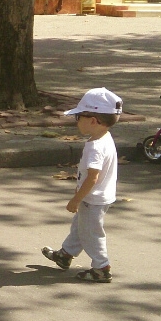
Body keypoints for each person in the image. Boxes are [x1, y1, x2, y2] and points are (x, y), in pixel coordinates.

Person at [42, 87, 123, 283]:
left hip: (92, 198)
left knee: (91, 235)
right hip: (99, 196)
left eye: (78, 116)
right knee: (80, 227)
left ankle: (101, 268)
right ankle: (65, 254)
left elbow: (92, 178)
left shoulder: (95, 148)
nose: (76, 120)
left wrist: (76, 200)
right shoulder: (104, 138)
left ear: (93, 120)